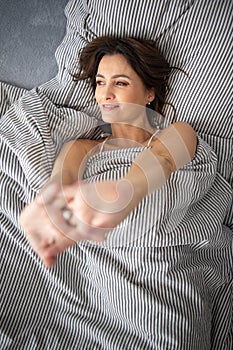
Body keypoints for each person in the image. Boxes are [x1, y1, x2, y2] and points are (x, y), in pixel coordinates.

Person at [20, 36, 196, 268]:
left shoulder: (178, 133)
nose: (105, 94)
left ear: (149, 94)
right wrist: (48, 211)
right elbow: (60, 183)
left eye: (120, 83)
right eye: (100, 82)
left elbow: (161, 160)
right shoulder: (82, 147)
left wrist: (124, 194)